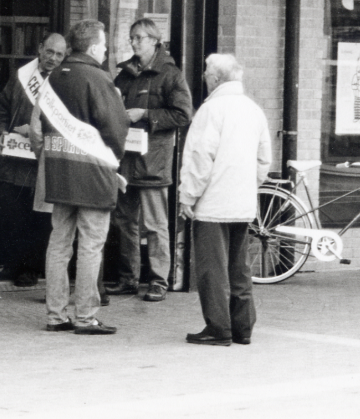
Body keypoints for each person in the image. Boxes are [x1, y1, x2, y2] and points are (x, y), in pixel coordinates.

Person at [38, 20, 128, 335]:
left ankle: (55, 316)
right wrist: (115, 159)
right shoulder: (98, 78)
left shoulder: (53, 77)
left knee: (59, 243)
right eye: (103, 45)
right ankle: (85, 317)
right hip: (93, 173)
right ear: (92, 47)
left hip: (60, 170)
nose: (105, 50)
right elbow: (116, 127)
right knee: (91, 244)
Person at [179, 53, 271, 346]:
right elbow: (264, 159)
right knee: (238, 267)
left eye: (206, 74)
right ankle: (243, 327)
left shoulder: (211, 110)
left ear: (216, 79)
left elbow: (200, 158)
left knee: (212, 269)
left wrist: (188, 196)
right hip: (242, 202)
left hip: (213, 204)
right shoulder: (254, 110)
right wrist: (248, 184)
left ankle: (219, 328)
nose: (204, 78)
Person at [106, 18, 193, 302]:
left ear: (155, 41)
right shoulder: (125, 74)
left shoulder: (170, 74)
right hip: (126, 158)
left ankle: (158, 281)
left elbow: (183, 115)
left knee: (155, 224)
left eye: (139, 38)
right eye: (131, 37)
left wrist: (145, 114)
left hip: (153, 160)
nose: (133, 42)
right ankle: (128, 279)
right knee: (124, 222)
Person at [0, 32, 67, 286]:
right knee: (13, 215)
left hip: (42, 163)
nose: (53, 58)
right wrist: (0, 132)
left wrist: (35, 130)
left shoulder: (65, 82)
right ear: (40, 48)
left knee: (39, 220)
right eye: (49, 52)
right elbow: (1, 108)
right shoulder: (22, 75)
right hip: (14, 162)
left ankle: (30, 270)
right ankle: (12, 264)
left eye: (59, 54)